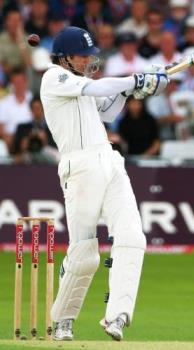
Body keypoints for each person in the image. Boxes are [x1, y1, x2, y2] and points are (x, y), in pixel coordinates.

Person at [40, 26, 168, 341]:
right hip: (80, 166)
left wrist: (129, 91)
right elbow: (95, 89)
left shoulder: (81, 84)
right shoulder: (53, 79)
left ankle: (117, 317)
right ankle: (64, 321)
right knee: (85, 252)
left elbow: (107, 112)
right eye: (83, 55)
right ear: (66, 57)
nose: (88, 60)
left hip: (109, 161)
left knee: (133, 236)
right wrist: (134, 79)